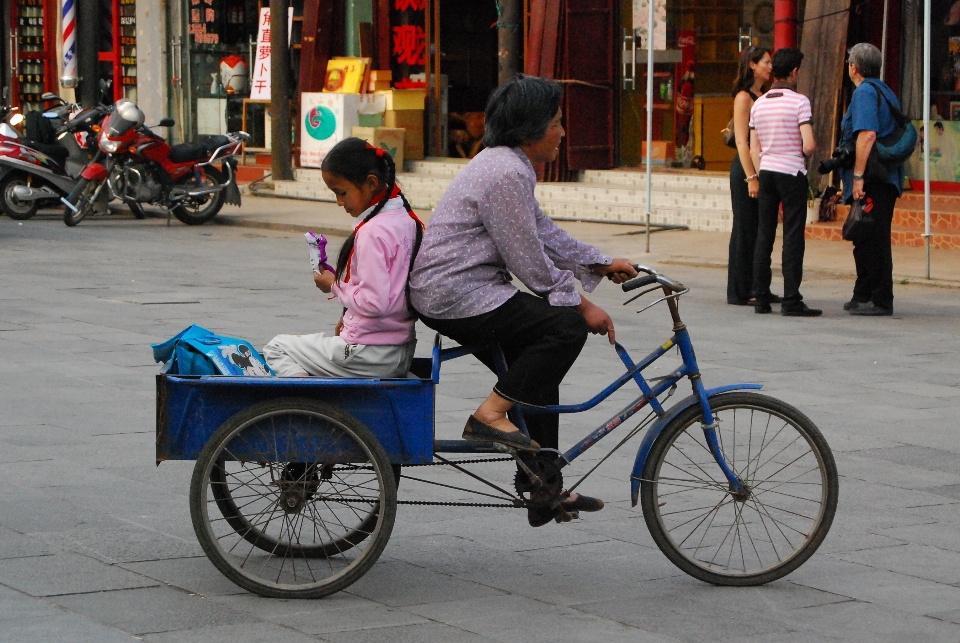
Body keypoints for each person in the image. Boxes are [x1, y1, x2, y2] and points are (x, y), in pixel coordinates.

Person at [408, 75, 637, 526]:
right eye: (555, 123)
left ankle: (543, 486)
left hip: (471, 288)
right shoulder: (505, 172)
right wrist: (580, 305)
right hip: (455, 292)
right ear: (530, 128)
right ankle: (488, 416)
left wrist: (601, 262)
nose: (562, 132)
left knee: (534, 376)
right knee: (563, 329)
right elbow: (529, 260)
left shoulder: (507, 165)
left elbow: (542, 230)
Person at [264, 138, 424, 376]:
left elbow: (374, 302)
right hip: (398, 349)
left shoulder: (373, 232)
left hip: (370, 352)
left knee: (277, 348)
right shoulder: (406, 220)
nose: (339, 202)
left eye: (342, 192)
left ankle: (310, 407)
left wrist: (334, 285)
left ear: (371, 182)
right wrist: (349, 315)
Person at [749, 47, 821, 316]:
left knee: (764, 234)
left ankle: (762, 298)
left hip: (766, 172)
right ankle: (791, 298)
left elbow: (754, 147)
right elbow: (810, 144)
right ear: (794, 72)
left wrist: (760, 171)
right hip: (792, 173)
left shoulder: (760, 104)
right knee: (792, 236)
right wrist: (800, 151)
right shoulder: (799, 102)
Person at [839, 43, 905, 316]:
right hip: (885, 176)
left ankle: (881, 299)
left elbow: (867, 135)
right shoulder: (883, 89)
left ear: (854, 67)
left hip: (873, 177)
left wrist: (857, 177)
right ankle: (863, 292)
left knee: (874, 237)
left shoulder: (865, 92)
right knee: (864, 235)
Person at [727, 47, 775, 306]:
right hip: (746, 170)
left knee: (761, 229)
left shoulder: (765, 94)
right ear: (752, 66)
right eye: (766, 62)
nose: (770, 67)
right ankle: (740, 289)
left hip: (763, 166)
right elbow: (742, 142)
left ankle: (760, 285)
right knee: (745, 229)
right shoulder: (744, 98)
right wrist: (751, 177)